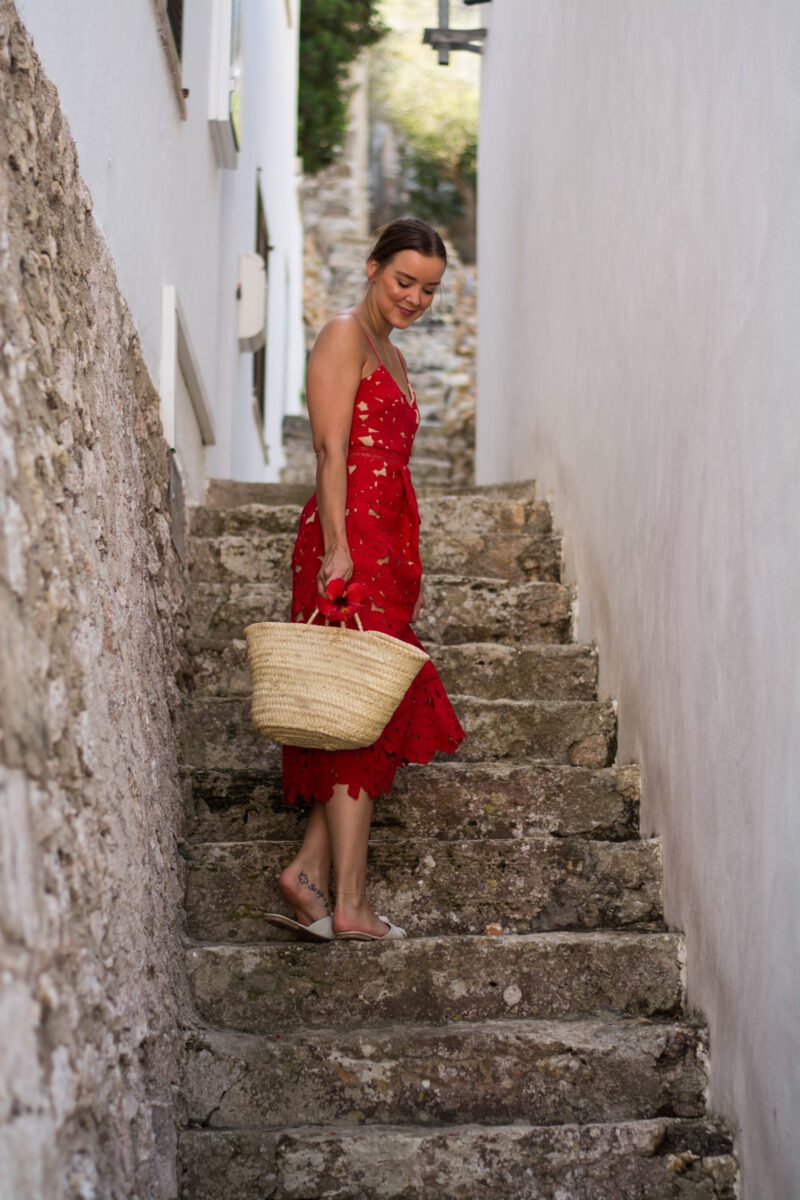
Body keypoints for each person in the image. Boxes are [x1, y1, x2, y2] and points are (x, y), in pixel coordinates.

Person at [266, 218, 466, 943]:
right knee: (354, 721)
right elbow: (328, 450)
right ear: (374, 268)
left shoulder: (396, 353)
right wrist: (338, 551)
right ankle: (349, 903)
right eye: (403, 280)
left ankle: (305, 872)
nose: (415, 297)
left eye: (429, 289)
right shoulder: (344, 335)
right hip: (348, 543)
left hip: (387, 546)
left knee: (362, 711)